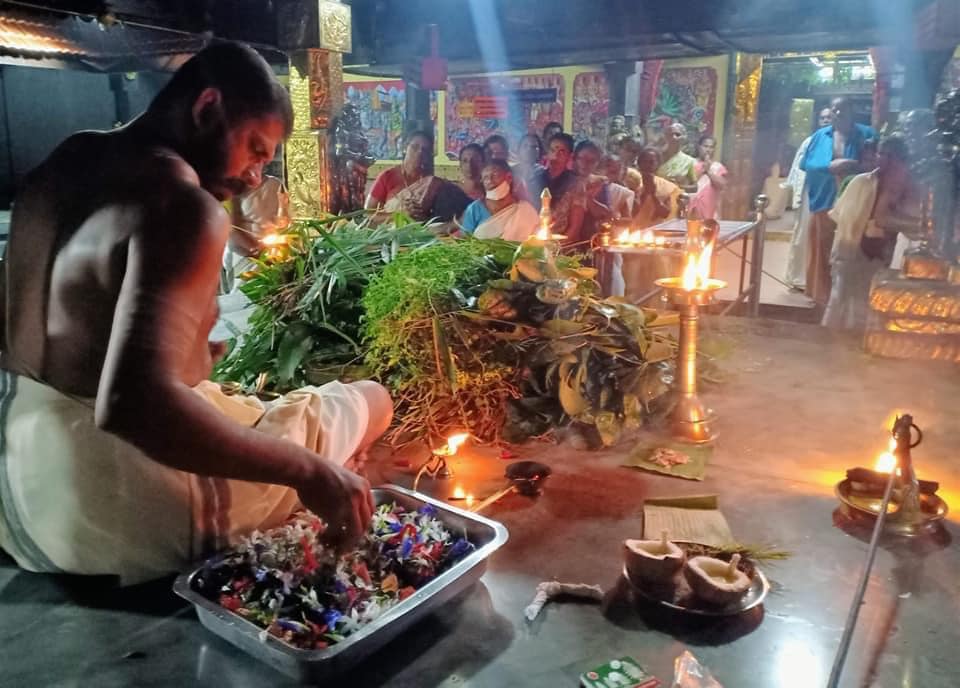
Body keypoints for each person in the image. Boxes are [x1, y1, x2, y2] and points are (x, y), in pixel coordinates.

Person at [0, 43, 392, 583]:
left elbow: (70, 340)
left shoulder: (69, 157)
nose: (255, 177)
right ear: (208, 108)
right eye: (256, 150)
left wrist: (187, 359)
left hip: (16, 481)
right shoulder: (183, 204)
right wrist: (310, 473)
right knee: (369, 400)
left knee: (229, 400)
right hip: (103, 506)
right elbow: (132, 405)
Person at [823, 135, 917, 330]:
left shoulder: (907, 187)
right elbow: (842, 218)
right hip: (850, 254)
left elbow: (905, 221)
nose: (882, 158)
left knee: (871, 309)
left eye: (889, 156)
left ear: (901, 161)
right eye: (881, 153)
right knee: (840, 303)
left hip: (881, 260)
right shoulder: (860, 183)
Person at [800, 97, 877, 305]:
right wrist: (830, 165)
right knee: (822, 246)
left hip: (855, 201)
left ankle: (851, 296)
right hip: (825, 197)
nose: (838, 113)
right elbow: (806, 164)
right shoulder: (820, 136)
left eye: (843, 109)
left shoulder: (867, 134)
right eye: (835, 109)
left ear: (852, 110)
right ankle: (821, 295)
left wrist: (852, 164)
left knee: (852, 247)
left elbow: (876, 163)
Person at [784, 107, 833, 291]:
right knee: (804, 234)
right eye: (823, 117)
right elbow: (799, 170)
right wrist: (797, 197)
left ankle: (822, 281)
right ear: (818, 121)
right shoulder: (811, 141)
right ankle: (799, 279)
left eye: (829, 117)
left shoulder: (840, 140)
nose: (826, 120)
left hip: (831, 196)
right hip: (809, 194)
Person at [459, 159, 539, 241]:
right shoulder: (473, 210)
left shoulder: (526, 210)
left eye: (495, 176)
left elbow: (536, 241)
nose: (490, 181)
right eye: (486, 177)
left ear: (509, 177)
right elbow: (465, 242)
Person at [528, 133, 585, 243]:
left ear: (570, 156)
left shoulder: (576, 184)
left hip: (561, 245)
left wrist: (557, 248)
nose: (556, 156)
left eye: (562, 152)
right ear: (547, 153)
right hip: (534, 241)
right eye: (552, 150)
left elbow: (575, 227)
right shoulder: (535, 179)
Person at [632, 147, 680, 228]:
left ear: (658, 164)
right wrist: (644, 193)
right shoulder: (630, 181)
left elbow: (665, 214)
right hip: (631, 232)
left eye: (651, 162)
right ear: (639, 163)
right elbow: (632, 212)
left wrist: (653, 195)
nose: (647, 165)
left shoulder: (668, 187)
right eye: (644, 161)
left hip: (655, 232)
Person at [689, 135, 727, 220]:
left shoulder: (717, 166)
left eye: (711, 147)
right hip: (691, 210)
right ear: (699, 147)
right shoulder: (690, 163)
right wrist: (702, 171)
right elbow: (688, 184)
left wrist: (708, 172)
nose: (708, 150)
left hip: (710, 212)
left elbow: (722, 185)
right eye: (705, 146)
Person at [657, 122, 697, 188]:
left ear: (684, 137)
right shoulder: (656, 156)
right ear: (666, 136)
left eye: (677, 135)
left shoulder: (688, 160)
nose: (674, 137)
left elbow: (695, 187)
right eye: (670, 134)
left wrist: (677, 186)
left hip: (676, 196)